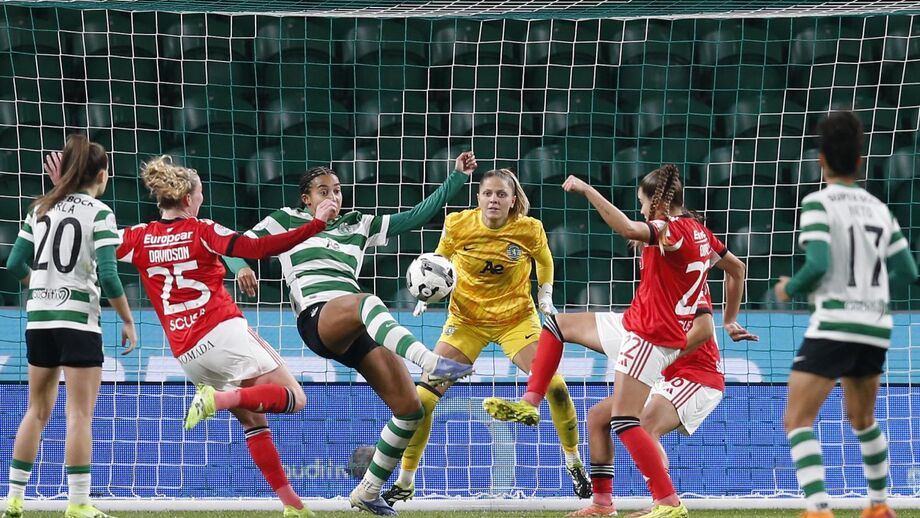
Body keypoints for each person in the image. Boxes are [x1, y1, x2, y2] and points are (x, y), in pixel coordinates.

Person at [243, 152, 478, 515]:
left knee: (410, 410)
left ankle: (368, 491)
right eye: (324, 191)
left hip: (359, 325)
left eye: (337, 191)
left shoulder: (359, 225)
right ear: (307, 199)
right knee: (365, 301)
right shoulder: (286, 221)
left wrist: (456, 178)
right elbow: (237, 247)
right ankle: (431, 362)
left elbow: (416, 215)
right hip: (319, 317)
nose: (333, 197)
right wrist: (241, 268)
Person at [114, 156, 338, 517]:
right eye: (200, 193)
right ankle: (219, 400)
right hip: (222, 331)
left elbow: (96, 247)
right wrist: (314, 225)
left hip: (187, 354)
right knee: (295, 399)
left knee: (253, 418)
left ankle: (291, 505)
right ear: (188, 199)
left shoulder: (137, 237)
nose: (202, 198)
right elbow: (259, 249)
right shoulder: (203, 230)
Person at [493, 166, 719, 518]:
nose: (640, 211)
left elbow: (704, 329)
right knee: (596, 410)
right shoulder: (672, 243)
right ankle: (600, 502)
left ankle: (666, 501)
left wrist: (663, 355)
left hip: (689, 371)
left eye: (643, 204)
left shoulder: (686, 252)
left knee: (635, 424)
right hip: (642, 335)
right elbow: (735, 267)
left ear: (658, 205)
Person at [380, 168, 591, 507]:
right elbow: (439, 260)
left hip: (516, 321)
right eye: (488, 193)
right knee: (423, 401)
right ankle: (406, 482)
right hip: (466, 323)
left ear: (512, 201)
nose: (494, 199)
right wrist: (425, 295)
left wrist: (546, 293)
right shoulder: (458, 224)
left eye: (501, 194)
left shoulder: (528, 228)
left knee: (556, 387)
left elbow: (544, 260)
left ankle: (573, 461)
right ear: (478, 198)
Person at [774, 112, 917, 518]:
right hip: (875, 325)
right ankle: (878, 505)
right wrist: (870, 289)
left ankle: (819, 509)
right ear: (859, 161)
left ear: (821, 160)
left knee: (798, 420)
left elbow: (818, 263)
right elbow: (908, 271)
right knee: (863, 418)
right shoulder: (878, 209)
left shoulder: (818, 204)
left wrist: (790, 288)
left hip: (834, 324)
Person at [1, 135, 137, 518]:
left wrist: (40, 288)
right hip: (78, 322)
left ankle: (13, 500)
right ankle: (77, 504)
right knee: (78, 415)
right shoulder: (99, 212)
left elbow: (13, 265)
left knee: (36, 411)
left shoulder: (40, 208)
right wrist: (127, 320)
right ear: (101, 173)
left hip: (39, 320)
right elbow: (109, 277)